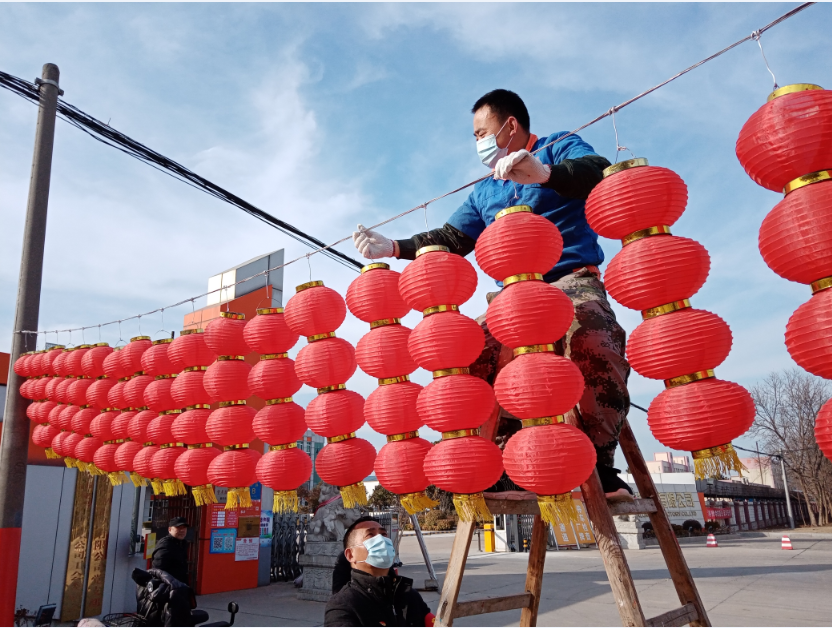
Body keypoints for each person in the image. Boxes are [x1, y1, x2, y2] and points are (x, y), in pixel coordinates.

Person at [352, 88, 633, 500]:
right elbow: (451, 236)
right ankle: (504, 460)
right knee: (463, 355)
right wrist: (393, 247)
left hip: (568, 280)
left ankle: (596, 461)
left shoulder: (558, 148)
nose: (478, 142)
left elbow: (598, 168)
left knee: (591, 339)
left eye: (481, 132)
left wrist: (547, 175)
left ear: (510, 126)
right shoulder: (486, 190)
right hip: (509, 298)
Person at [325, 517, 434, 627]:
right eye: (370, 535)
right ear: (350, 555)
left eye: (384, 534)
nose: (381, 540)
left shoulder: (409, 595)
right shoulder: (343, 605)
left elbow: (430, 621)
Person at [149, 517, 195, 626]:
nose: (182, 530)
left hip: (181, 590)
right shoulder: (166, 545)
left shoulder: (182, 543)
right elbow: (158, 571)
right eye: (178, 528)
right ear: (170, 529)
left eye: (184, 528)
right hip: (169, 593)